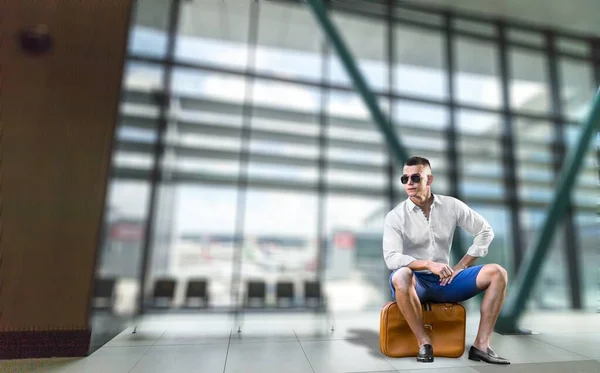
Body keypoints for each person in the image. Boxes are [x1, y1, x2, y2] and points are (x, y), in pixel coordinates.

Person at [383, 156, 510, 365]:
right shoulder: (395, 216)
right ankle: (424, 343)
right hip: (414, 283)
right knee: (401, 274)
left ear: (429, 179)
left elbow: (485, 231)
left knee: (498, 273)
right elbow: (391, 258)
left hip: (445, 281)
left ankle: (481, 346)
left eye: (415, 177)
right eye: (404, 179)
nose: (409, 183)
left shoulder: (451, 206)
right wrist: (427, 264)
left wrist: (460, 266)